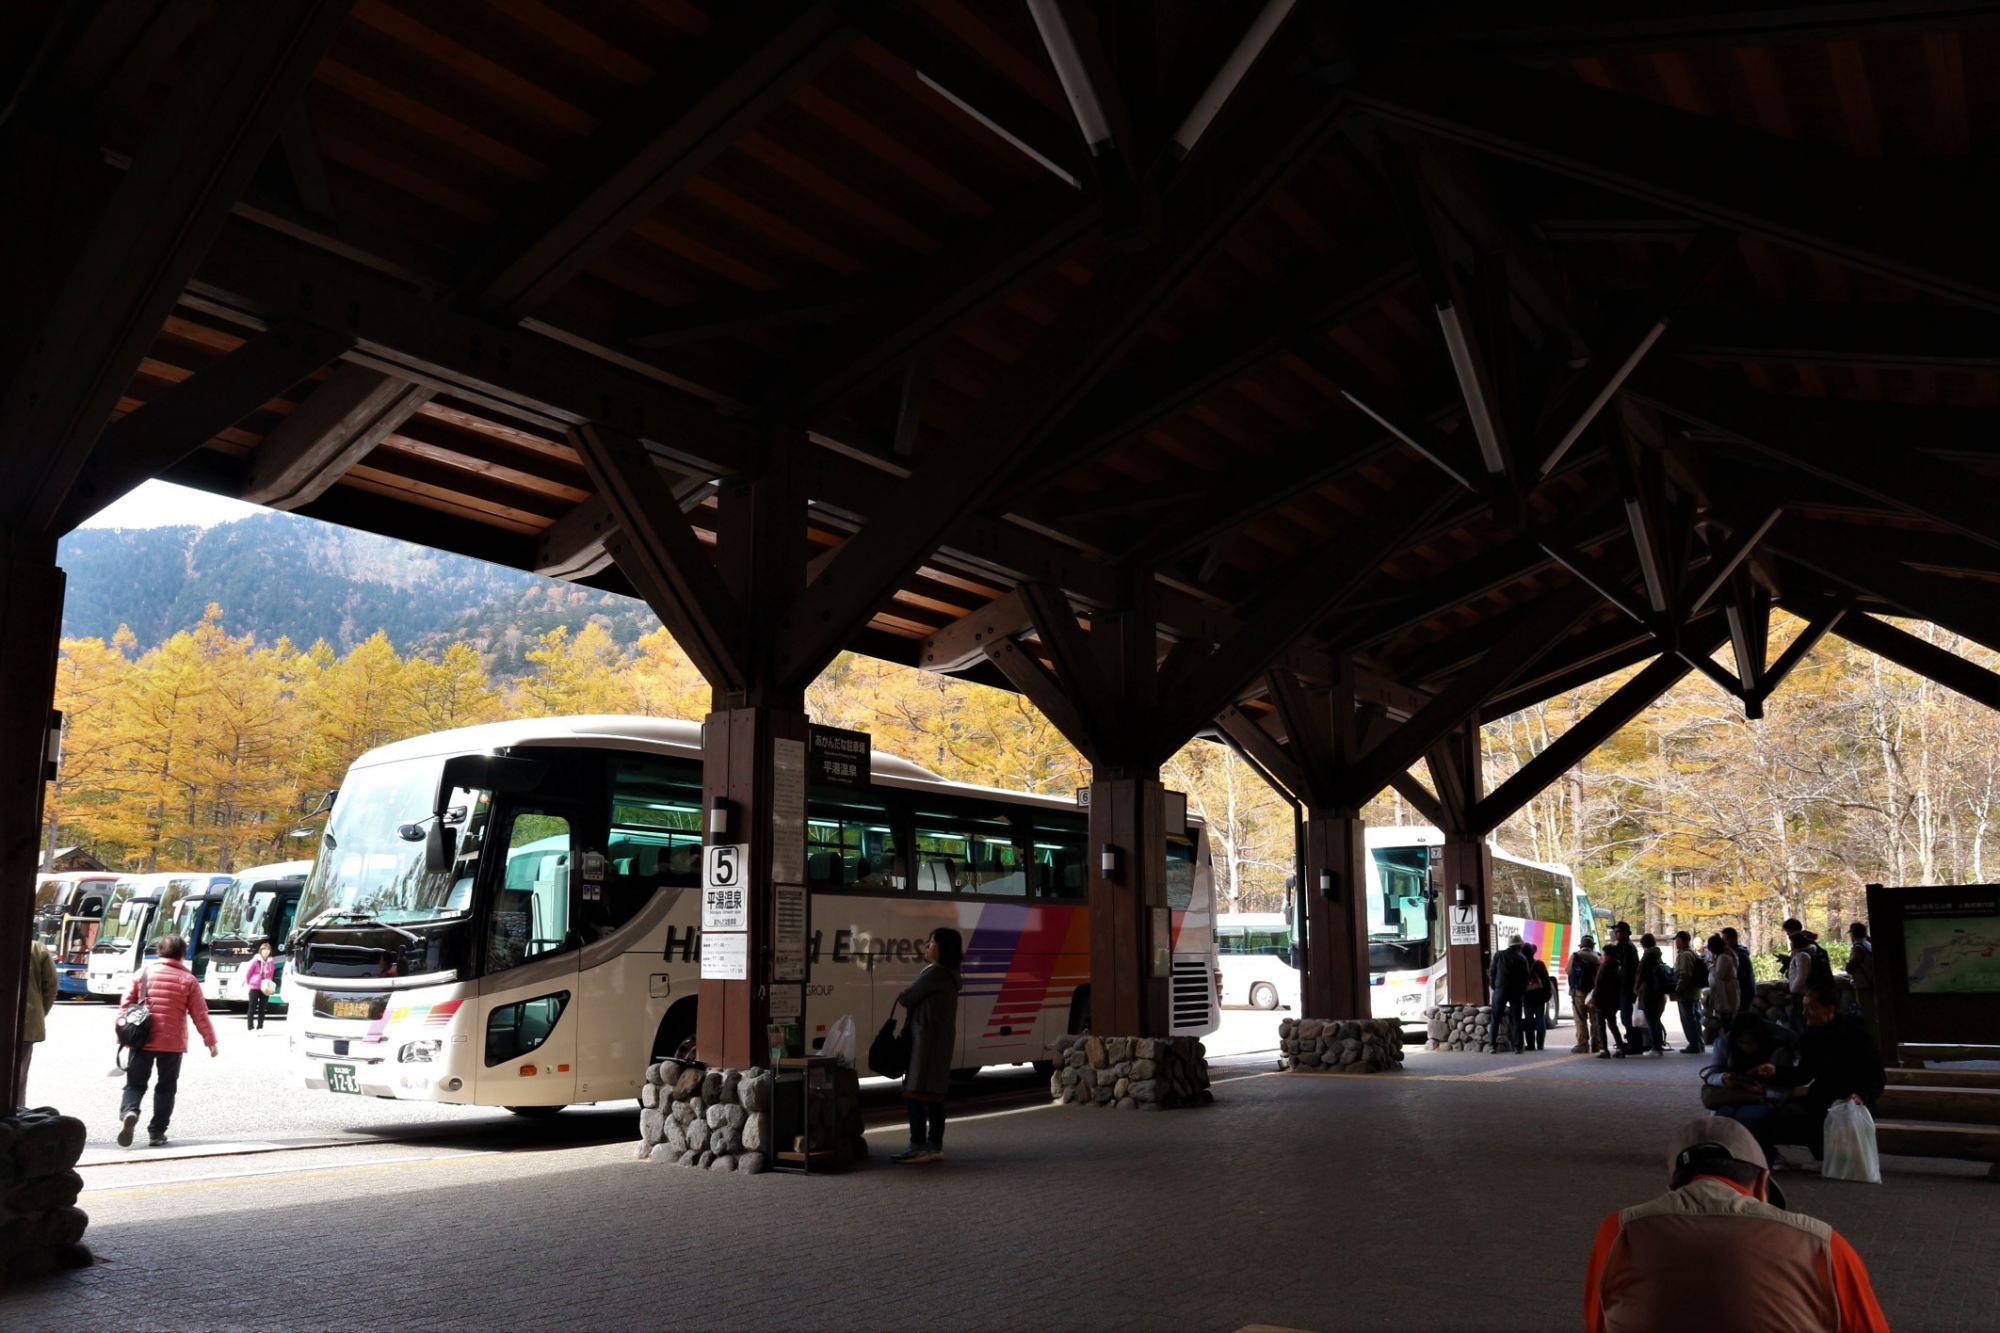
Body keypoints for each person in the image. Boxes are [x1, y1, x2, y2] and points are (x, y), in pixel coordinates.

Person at [1583, 1116, 1889, 1333]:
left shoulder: (1619, 1231)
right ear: (1763, 1183)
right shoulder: (1822, 1243)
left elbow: (1596, 1323)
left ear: (1672, 1187)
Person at [114, 933, 218, 1148]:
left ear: (159, 951)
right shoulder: (188, 979)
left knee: (135, 1083)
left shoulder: (142, 973)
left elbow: (125, 1006)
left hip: (142, 1039)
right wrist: (210, 1041)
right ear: (182, 954)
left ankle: (130, 1111)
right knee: (166, 1088)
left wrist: (122, 1034)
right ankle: (157, 1132)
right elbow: (200, 1014)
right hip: (172, 1044)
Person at [1767, 984, 1887, 1166]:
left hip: (1854, 1098)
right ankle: (1825, 1156)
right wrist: (1775, 1071)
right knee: (1784, 1114)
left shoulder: (1857, 1034)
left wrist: (1862, 1095)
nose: (1805, 1012)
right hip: (1823, 1097)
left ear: (1830, 1010)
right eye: (1804, 1007)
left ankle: (1839, 1159)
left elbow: (1876, 1075)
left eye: (1811, 1008)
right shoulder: (1810, 1037)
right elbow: (1804, 1073)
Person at [893, 926, 962, 1165]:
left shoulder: (936, 974)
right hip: (938, 1042)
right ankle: (934, 1146)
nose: (927, 946)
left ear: (943, 948)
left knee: (914, 1093)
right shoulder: (951, 973)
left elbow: (906, 998)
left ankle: (918, 1146)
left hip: (926, 1043)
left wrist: (904, 992)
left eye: (932, 942)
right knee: (934, 1096)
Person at [1707, 1013, 1801, 1167]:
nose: (1746, 1047)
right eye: (1742, 1042)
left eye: (1751, 1042)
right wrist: (1723, 1078)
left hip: (1764, 1098)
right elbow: (1711, 1075)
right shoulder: (1725, 1043)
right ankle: (1727, 1155)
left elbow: (1786, 1087)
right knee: (1723, 1115)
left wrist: (1764, 1091)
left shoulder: (1778, 1049)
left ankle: (1765, 1155)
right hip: (1732, 1095)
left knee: (1748, 1116)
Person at [20, 937, 59, 1103]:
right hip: (25, 1024)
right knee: (17, 1077)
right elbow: (50, 988)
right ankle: (13, 1117)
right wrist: (37, 1013)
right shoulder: (37, 948)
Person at [1488, 935, 1527, 1053]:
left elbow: (1492, 972)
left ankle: (1492, 1046)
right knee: (1516, 1019)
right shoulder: (1521, 958)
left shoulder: (1499, 955)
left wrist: (1494, 986)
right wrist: (1522, 992)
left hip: (1500, 990)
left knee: (1495, 1018)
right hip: (1515, 991)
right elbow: (1525, 977)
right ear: (1519, 945)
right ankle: (1517, 1046)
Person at [1632, 932, 1669, 1056]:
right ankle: (1658, 1046)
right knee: (1656, 1020)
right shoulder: (1657, 955)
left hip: (1648, 992)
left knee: (1651, 1021)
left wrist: (1636, 989)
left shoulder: (1647, 956)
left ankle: (1656, 1048)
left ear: (1643, 944)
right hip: (1658, 992)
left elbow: (1640, 973)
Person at [1844, 921, 1878, 1046]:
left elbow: (1851, 966)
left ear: (1853, 934)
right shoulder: (1868, 944)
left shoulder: (1858, 948)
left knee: (1868, 1017)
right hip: (1871, 984)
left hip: (1864, 986)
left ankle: (1873, 1043)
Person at [1673, 930, 1707, 1055]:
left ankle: (1694, 1044)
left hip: (1686, 992)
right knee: (1695, 1017)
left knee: (1688, 1019)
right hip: (1693, 991)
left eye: (1677, 940)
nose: (1676, 942)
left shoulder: (1684, 955)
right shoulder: (1691, 953)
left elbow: (1684, 974)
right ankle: (1698, 1043)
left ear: (1682, 941)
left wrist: (1678, 989)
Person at [1591, 949, 1629, 1058]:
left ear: (1607, 955)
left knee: (1601, 1025)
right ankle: (1621, 1048)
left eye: (1604, 954)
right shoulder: (1618, 967)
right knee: (1613, 1025)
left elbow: (1598, 984)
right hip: (1613, 1001)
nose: (1602, 956)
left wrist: (1593, 998)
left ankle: (1604, 1050)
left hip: (1602, 1000)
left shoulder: (1604, 967)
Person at [1604, 921, 1640, 1036]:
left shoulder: (1627, 947)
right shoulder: (1623, 946)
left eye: (1618, 931)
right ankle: (1632, 1040)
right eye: (1615, 931)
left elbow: (1627, 969)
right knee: (1626, 1015)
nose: (1616, 934)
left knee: (1627, 1016)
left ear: (1626, 933)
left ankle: (1634, 1042)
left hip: (1627, 987)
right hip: (1624, 987)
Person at [1567, 936, 1601, 1054]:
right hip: (1594, 994)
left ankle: (1582, 1044)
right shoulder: (1597, 957)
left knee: (1580, 1019)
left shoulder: (1575, 956)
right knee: (1595, 1019)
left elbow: (1568, 971)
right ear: (1592, 946)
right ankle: (1597, 1044)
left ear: (1581, 946)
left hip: (1578, 993)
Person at [1706, 932, 1742, 1039]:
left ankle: (1729, 1042)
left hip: (1726, 991)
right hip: (1728, 990)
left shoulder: (1723, 958)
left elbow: (1719, 975)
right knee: (1727, 1019)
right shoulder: (1728, 956)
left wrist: (1710, 967)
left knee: (1727, 1019)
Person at [1520, 941, 1553, 1052]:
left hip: (1527, 997)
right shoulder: (1539, 964)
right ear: (1532, 953)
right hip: (1540, 997)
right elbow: (1546, 981)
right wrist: (1547, 995)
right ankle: (1540, 1044)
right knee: (1540, 1020)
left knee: (1529, 1021)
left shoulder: (1520, 965)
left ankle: (1530, 1045)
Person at [244, 941, 277, 1030]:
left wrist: (268, 983)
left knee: (262, 1009)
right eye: (264, 950)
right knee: (252, 1008)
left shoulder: (271, 962)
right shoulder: (255, 961)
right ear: (261, 951)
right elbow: (248, 973)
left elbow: (271, 974)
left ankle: (260, 1027)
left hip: (265, 988)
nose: (266, 951)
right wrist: (249, 983)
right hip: (255, 987)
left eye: (268, 950)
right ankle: (250, 1027)